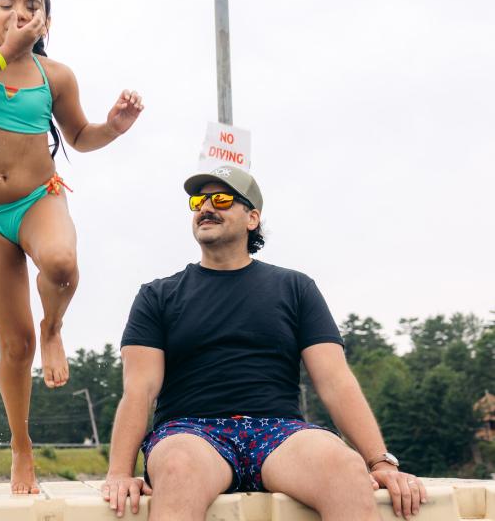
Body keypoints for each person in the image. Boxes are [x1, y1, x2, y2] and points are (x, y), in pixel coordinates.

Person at [101, 166, 427, 520]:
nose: (206, 207)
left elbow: (335, 380)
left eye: (222, 199)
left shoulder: (296, 288)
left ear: (252, 217)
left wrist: (380, 462)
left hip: (279, 432)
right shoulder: (157, 295)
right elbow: (139, 390)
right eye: (199, 200)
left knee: (344, 466)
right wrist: (119, 472)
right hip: (190, 431)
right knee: (179, 467)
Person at [0, 0, 144, 494]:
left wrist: (113, 128)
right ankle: (21, 446)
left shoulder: (55, 75)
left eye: (29, 6)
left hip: (39, 198)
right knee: (15, 346)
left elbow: (79, 136)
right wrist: (0, 52)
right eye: (4, 4)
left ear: (46, 22)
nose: (16, 12)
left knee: (60, 262)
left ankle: (54, 327)